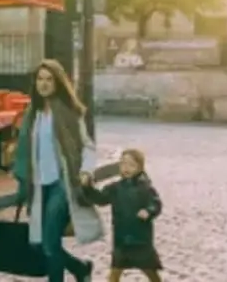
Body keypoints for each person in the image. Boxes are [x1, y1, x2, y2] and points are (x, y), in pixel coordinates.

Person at [13, 59, 103, 281]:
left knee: (50, 244)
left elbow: (88, 145)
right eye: (40, 79)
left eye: (49, 79)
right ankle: (80, 268)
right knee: (42, 244)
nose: (43, 84)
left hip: (62, 185)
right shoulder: (32, 114)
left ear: (58, 82)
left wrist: (86, 171)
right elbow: (26, 151)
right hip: (38, 187)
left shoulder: (69, 113)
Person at [86, 148, 163, 282]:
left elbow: (156, 204)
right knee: (115, 273)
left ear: (140, 167)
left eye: (131, 165)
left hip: (141, 239)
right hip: (121, 239)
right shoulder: (115, 188)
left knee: (151, 273)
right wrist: (87, 188)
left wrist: (149, 211)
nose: (126, 168)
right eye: (123, 164)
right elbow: (100, 199)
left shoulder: (145, 188)